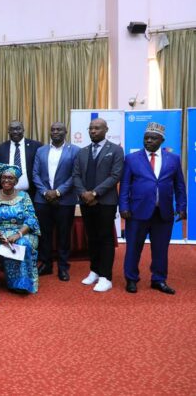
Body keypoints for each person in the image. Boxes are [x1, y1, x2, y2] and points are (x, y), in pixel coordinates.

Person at [120, 122, 186, 295]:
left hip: (163, 213)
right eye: (146, 138)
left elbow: (179, 185)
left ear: (161, 140)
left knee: (161, 249)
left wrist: (181, 206)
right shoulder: (132, 158)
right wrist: (124, 206)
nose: (148, 141)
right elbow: (125, 185)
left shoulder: (173, 158)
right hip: (136, 212)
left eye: (153, 138)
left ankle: (159, 279)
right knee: (133, 247)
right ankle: (131, 279)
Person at [73, 118, 124, 292]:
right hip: (86, 201)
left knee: (105, 238)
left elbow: (115, 176)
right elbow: (76, 175)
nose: (93, 131)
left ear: (106, 129)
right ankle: (94, 271)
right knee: (92, 237)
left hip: (105, 202)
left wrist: (94, 193)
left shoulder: (116, 150)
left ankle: (105, 276)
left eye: (97, 128)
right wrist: (84, 194)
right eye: (91, 128)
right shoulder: (82, 151)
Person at [32, 122, 80, 281]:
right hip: (42, 199)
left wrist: (58, 192)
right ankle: (45, 264)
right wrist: (46, 192)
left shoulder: (74, 151)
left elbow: (75, 176)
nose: (56, 132)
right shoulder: (41, 150)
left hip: (65, 200)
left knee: (63, 234)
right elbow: (35, 175)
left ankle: (63, 267)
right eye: (53, 129)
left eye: (59, 129)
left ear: (66, 131)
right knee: (44, 234)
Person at [0, 163, 40, 294]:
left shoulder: (24, 196)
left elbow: (31, 219)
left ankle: (25, 283)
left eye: (10, 178)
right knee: (8, 245)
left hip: (22, 232)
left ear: (16, 181)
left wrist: (18, 234)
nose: (6, 180)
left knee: (22, 243)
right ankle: (13, 283)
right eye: (4, 177)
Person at [0, 121, 42, 198]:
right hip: (7, 195)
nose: (15, 132)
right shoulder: (0, 149)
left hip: (31, 194)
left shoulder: (36, 146)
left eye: (18, 129)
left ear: (23, 130)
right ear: (8, 131)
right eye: (12, 129)